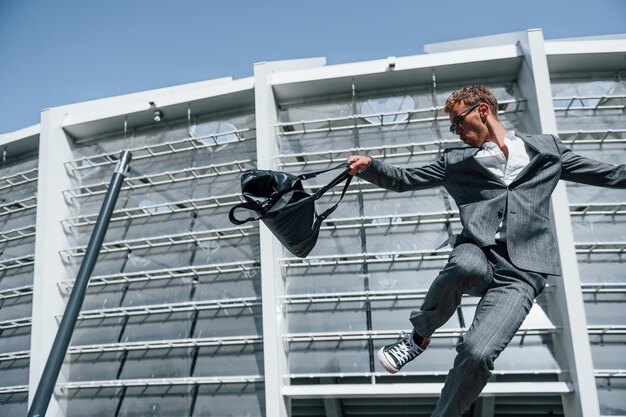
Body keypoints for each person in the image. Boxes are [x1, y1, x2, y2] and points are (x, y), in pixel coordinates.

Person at [347, 84, 625, 417]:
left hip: (522, 273)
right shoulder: (456, 162)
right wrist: (369, 166)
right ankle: (418, 337)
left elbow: (609, 174)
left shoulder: (547, 151)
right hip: (478, 251)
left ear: (482, 111)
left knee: (477, 352)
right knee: (465, 266)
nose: (456, 131)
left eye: (457, 122)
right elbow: (405, 179)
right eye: (453, 127)